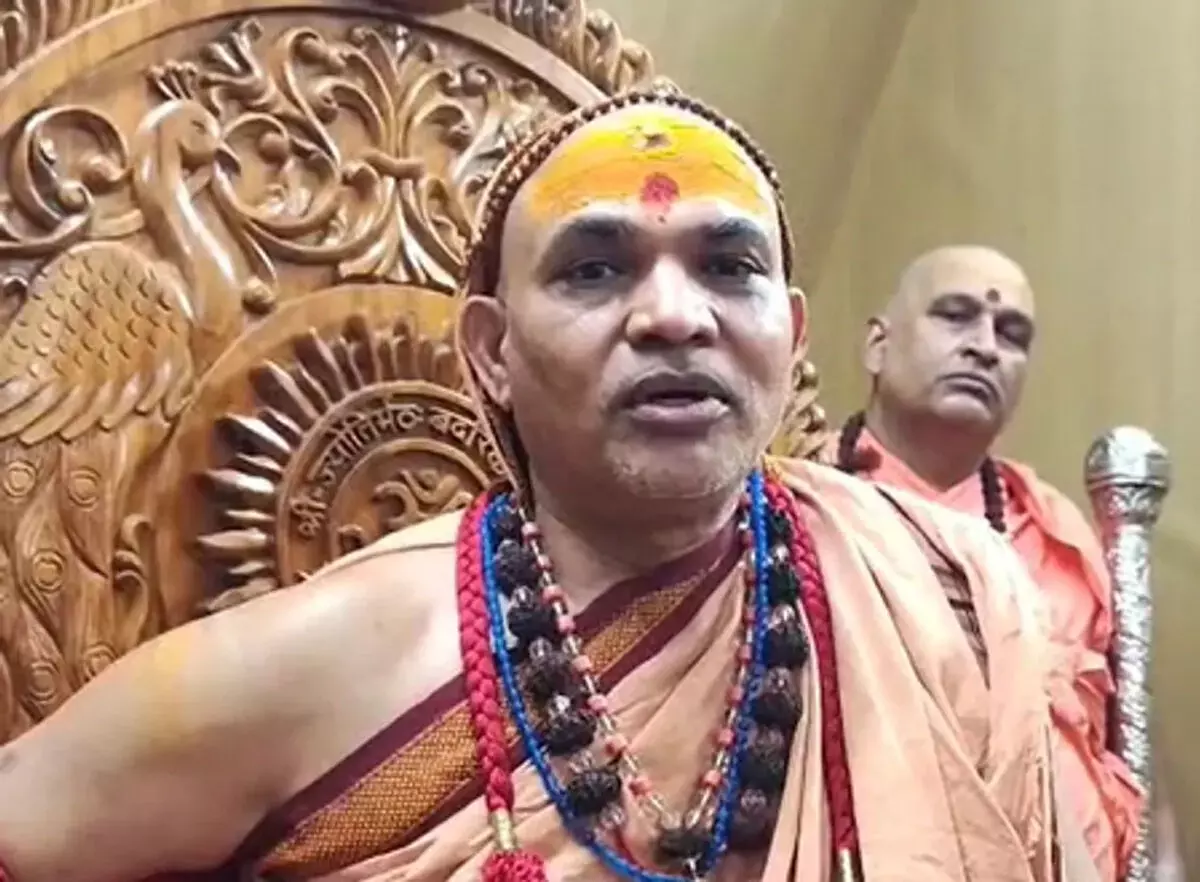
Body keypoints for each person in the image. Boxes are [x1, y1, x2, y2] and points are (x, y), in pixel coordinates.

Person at [0, 89, 1093, 882]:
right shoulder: (321, 663)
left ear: (791, 335)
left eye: (729, 266)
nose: (677, 316)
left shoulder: (940, 598)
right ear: (492, 355)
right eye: (595, 268)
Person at [832, 245, 1142, 882]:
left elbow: (1101, 749)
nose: (985, 347)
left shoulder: (1057, 536)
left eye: (1012, 334)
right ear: (877, 346)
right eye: (955, 315)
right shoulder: (803, 509)